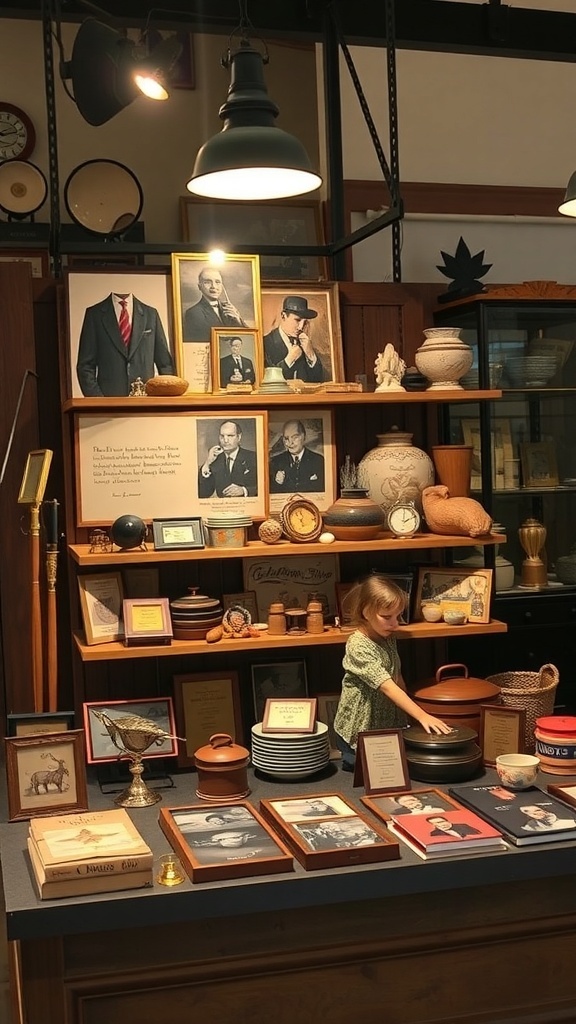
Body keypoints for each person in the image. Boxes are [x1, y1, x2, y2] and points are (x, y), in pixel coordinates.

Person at [333, 576, 451, 771]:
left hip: (385, 724)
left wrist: (410, 716)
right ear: (365, 612)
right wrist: (423, 716)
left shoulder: (387, 637)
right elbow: (387, 686)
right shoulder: (358, 645)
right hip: (359, 728)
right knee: (365, 772)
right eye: (387, 617)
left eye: (398, 616)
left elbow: (396, 676)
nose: (395, 624)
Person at [76, 291, 175, 397]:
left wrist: (163, 401)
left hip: (145, 402)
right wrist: (98, 401)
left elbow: (165, 364)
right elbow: (85, 366)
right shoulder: (94, 314)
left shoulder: (151, 314)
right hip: (108, 404)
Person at [263, 295, 326, 382]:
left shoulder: (306, 344)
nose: (301, 327)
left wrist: (311, 355)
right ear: (283, 316)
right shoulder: (265, 343)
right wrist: (289, 360)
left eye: (305, 322)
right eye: (297, 320)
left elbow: (318, 380)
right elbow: (266, 381)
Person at [183, 266, 248, 341]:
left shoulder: (230, 309)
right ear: (199, 286)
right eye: (207, 282)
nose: (213, 286)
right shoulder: (193, 313)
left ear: (222, 286)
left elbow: (249, 339)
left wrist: (238, 321)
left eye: (217, 282)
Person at [198, 419, 257, 498]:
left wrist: (244, 490)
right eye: (222, 436)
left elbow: (264, 487)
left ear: (239, 437)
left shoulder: (253, 457)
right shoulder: (215, 460)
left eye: (230, 436)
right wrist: (207, 463)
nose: (225, 440)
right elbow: (203, 493)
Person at [269, 419, 325, 493]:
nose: (290, 443)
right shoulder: (275, 462)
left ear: (303, 436)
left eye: (295, 437)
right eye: (286, 438)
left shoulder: (319, 460)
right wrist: (278, 483)